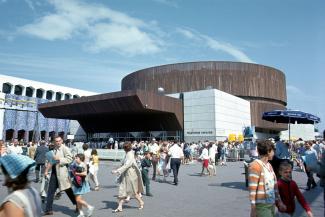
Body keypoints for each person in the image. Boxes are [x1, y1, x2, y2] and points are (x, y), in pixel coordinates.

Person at [248, 140, 286, 217]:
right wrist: (253, 209)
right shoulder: (255, 166)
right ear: (268, 151)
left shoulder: (269, 165)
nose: (274, 153)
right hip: (262, 206)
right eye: (273, 151)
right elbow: (252, 189)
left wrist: (279, 202)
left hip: (271, 204)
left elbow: (274, 186)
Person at [43, 136, 77, 215]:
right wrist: (46, 171)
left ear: (62, 141)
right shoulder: (54, 149)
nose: (58, 142)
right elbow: (51, 161)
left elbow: (70, 159)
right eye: (56, 141)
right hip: (54, 173)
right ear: (54, 142)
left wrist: (60, 159)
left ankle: (77, 204)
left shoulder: (65, 148)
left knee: (68, 190)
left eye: (59, 141)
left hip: (62, 173)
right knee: (50, 191)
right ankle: (48, 209)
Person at [111, 141, 144, 213]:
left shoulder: (130, 154)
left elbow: (127, 165)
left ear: (125, 148)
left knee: (133, 192)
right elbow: (123, 163)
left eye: (124, 148)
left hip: (130, 175)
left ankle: (141, 202)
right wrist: (118, 169)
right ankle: (120, 207)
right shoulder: (128, 154)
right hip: (126, 174)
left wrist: (117, 171)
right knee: (123, 191)